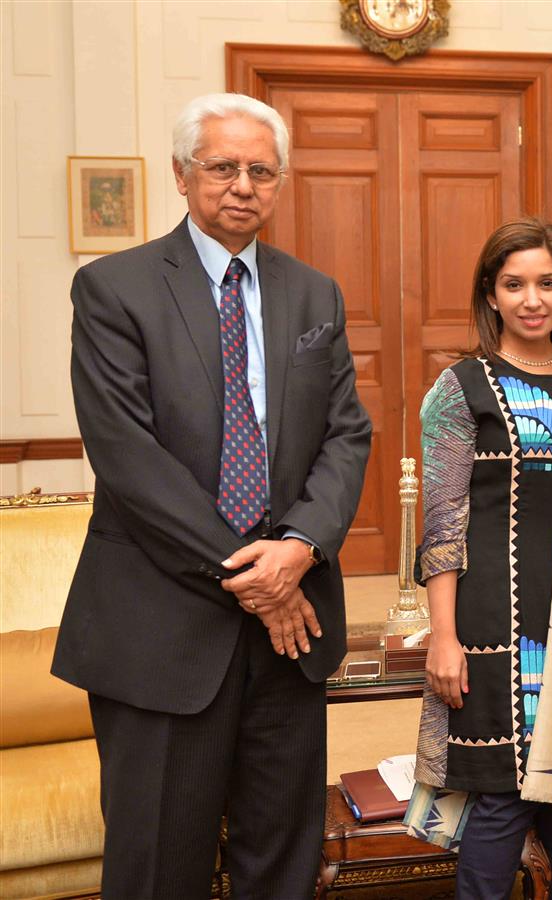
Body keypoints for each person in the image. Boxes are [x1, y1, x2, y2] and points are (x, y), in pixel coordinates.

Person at [53, 93, 372, 897]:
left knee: (283, 858)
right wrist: (260, 582)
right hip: (162, 629)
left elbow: (346, 436)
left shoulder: (313, 295)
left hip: (290, 636)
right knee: (160, 861)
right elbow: (128, 459)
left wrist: (298, 549)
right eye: (222, 167)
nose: (242, 185)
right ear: (181, 175)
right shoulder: (113, 289)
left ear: (281, 183)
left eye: (260, 170)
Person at [404, 218, 552, 899]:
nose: (531, 299)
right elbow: (443, 526)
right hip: (493, 627)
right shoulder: (460, 388)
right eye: (514, 284)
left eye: (547, 283)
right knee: (500, 801)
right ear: (491, 294)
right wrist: (443, 638)